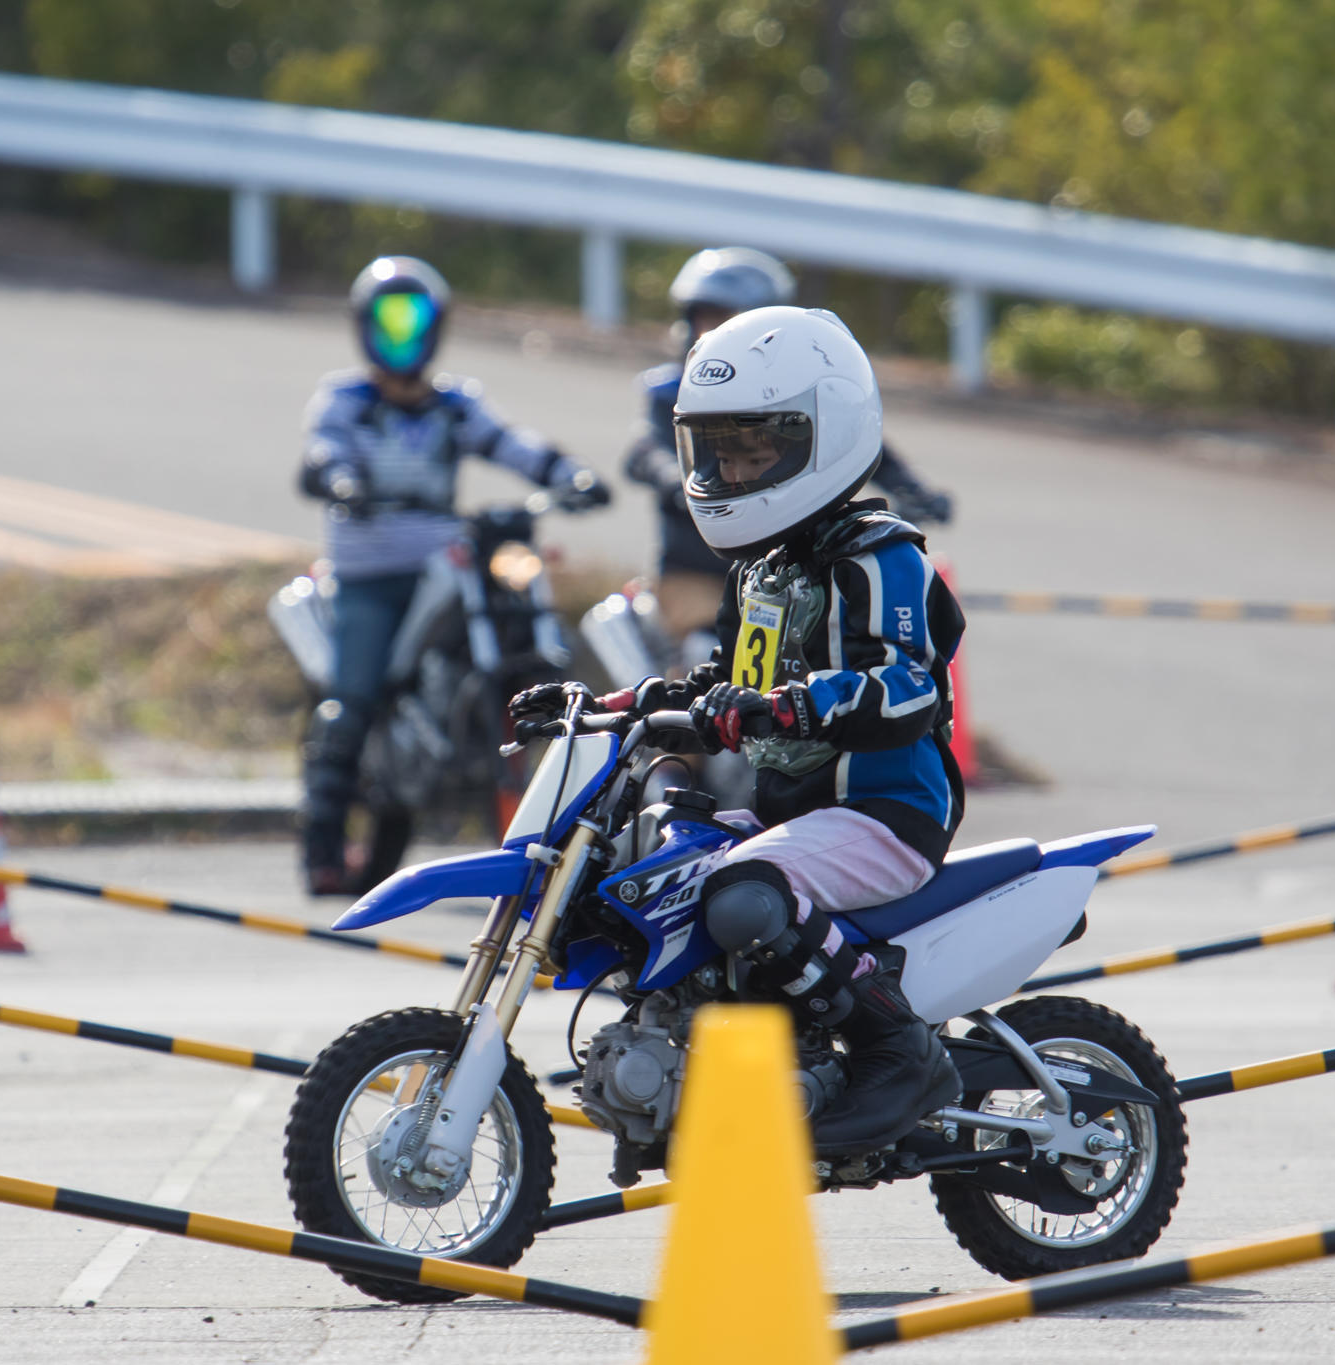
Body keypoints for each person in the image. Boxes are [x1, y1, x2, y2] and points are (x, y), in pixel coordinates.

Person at [518, 305, 964, 1156]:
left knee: (743, 894)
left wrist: (792, 704)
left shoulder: (879, 557)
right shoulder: (761, 569)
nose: (733, 467)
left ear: (824, 433)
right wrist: (614, 705)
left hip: (885, 811)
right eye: (719, 449)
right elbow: (726, 685)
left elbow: (911, 685)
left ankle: (896, 1051)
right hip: (794, 811)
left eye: (756, 449)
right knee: (658, 865)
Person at [296, 256, 610, 896]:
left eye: (414, 323)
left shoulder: (455, 405)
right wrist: (341, 481)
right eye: (389, 323)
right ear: (364, 328)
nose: (401, 338)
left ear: (436, 329)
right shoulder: (345, 400)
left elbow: (511, 443)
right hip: (370, 577)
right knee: (353, 696)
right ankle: (322, 850)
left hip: (446, 569)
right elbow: (323, 451)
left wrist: (567, 476)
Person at [623, 247, 954, 640]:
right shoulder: (677, 392)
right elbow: (644, 450)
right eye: (704, 317)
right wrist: (674, 480)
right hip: (695, 571)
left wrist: (913, 488)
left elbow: (848, 432)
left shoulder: (796, 398)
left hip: (787, 569)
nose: (710, 331)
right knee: (704, 648)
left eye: (727, 319)